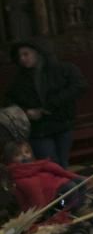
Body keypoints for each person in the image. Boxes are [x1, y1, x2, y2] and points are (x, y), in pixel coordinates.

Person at [5, 38, 85, 168]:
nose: (22, 59)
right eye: (19, 56)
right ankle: (69, 187)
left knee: (63, 162)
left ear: (37, 53)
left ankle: (71, 187)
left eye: (26, 54)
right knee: (51, 164)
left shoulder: (61, 69)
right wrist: (26, 112)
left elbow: (79, 86)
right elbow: (10, 103)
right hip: (39, 129)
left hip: (62, 122)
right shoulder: (18, 80)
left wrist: (50, 105)